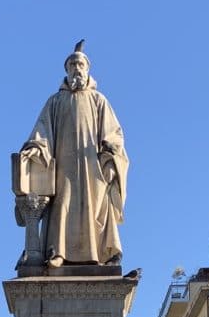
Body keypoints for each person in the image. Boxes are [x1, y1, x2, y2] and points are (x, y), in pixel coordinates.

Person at [20, 40, 129, 267]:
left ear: (87, 69)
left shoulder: (99, 101)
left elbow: (114, 135)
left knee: (97, 206)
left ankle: (100, 253)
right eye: (72, 65)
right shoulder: (55, 102)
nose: (76, 68)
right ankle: (58, 251)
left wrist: (110, 156)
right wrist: (34, 148)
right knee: (63, 204)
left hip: (92, 169)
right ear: (67, 71)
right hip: (64, 167)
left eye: (80, 64)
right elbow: (42, 132)